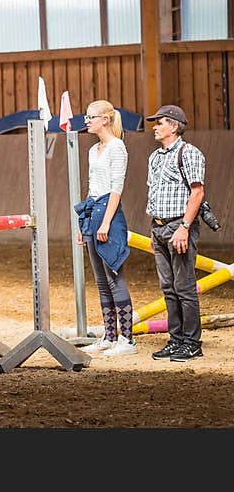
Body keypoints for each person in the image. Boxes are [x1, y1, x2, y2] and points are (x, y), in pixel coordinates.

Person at [145, 104, 206, 362]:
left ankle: (192, 342)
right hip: (159, 227)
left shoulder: (188, 153)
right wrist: (154, 230)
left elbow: (197, 192)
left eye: (159, 122)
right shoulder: (155, 157)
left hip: (178, 226)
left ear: (173, 125)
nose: (155, 127)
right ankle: (176, 338)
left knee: (184, 287)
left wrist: (184, 226)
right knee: (169, 288)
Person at [75, 100, 135, 356]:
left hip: (108, 213)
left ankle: (128, 340)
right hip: (93, 211)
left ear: (105, 120)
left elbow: (116, 188)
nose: (87, 121)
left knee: (114, 277)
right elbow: (93, 186)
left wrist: (107, 222)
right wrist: (85, 223)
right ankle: (110, 335)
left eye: (91, 117)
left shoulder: (117, 147)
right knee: (101, 280)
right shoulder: (93, 150)